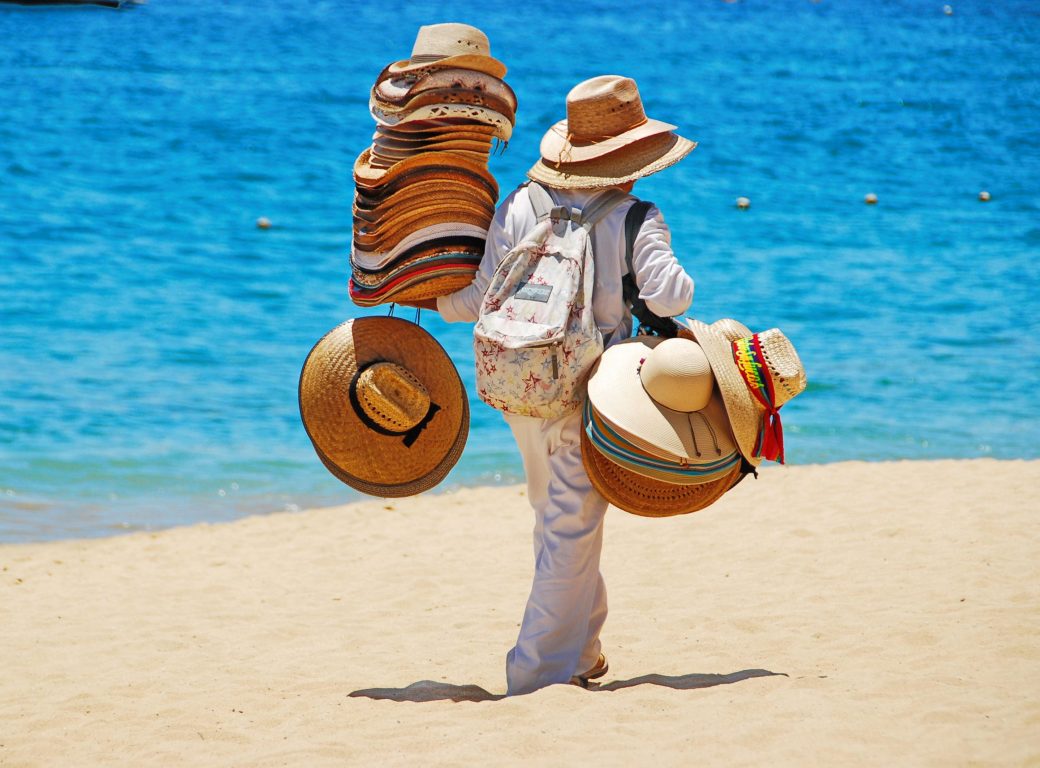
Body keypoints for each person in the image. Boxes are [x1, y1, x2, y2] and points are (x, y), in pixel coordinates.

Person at [412, 75, 697, 695]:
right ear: (632, 159)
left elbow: (476, 298)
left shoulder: (520, 204)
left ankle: (584, 649)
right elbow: (671, 295)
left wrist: (414, 292)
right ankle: (534, 674)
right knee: (570, 524)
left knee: (556, 518)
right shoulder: (636, 216)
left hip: (520, 380)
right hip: (594, 391)